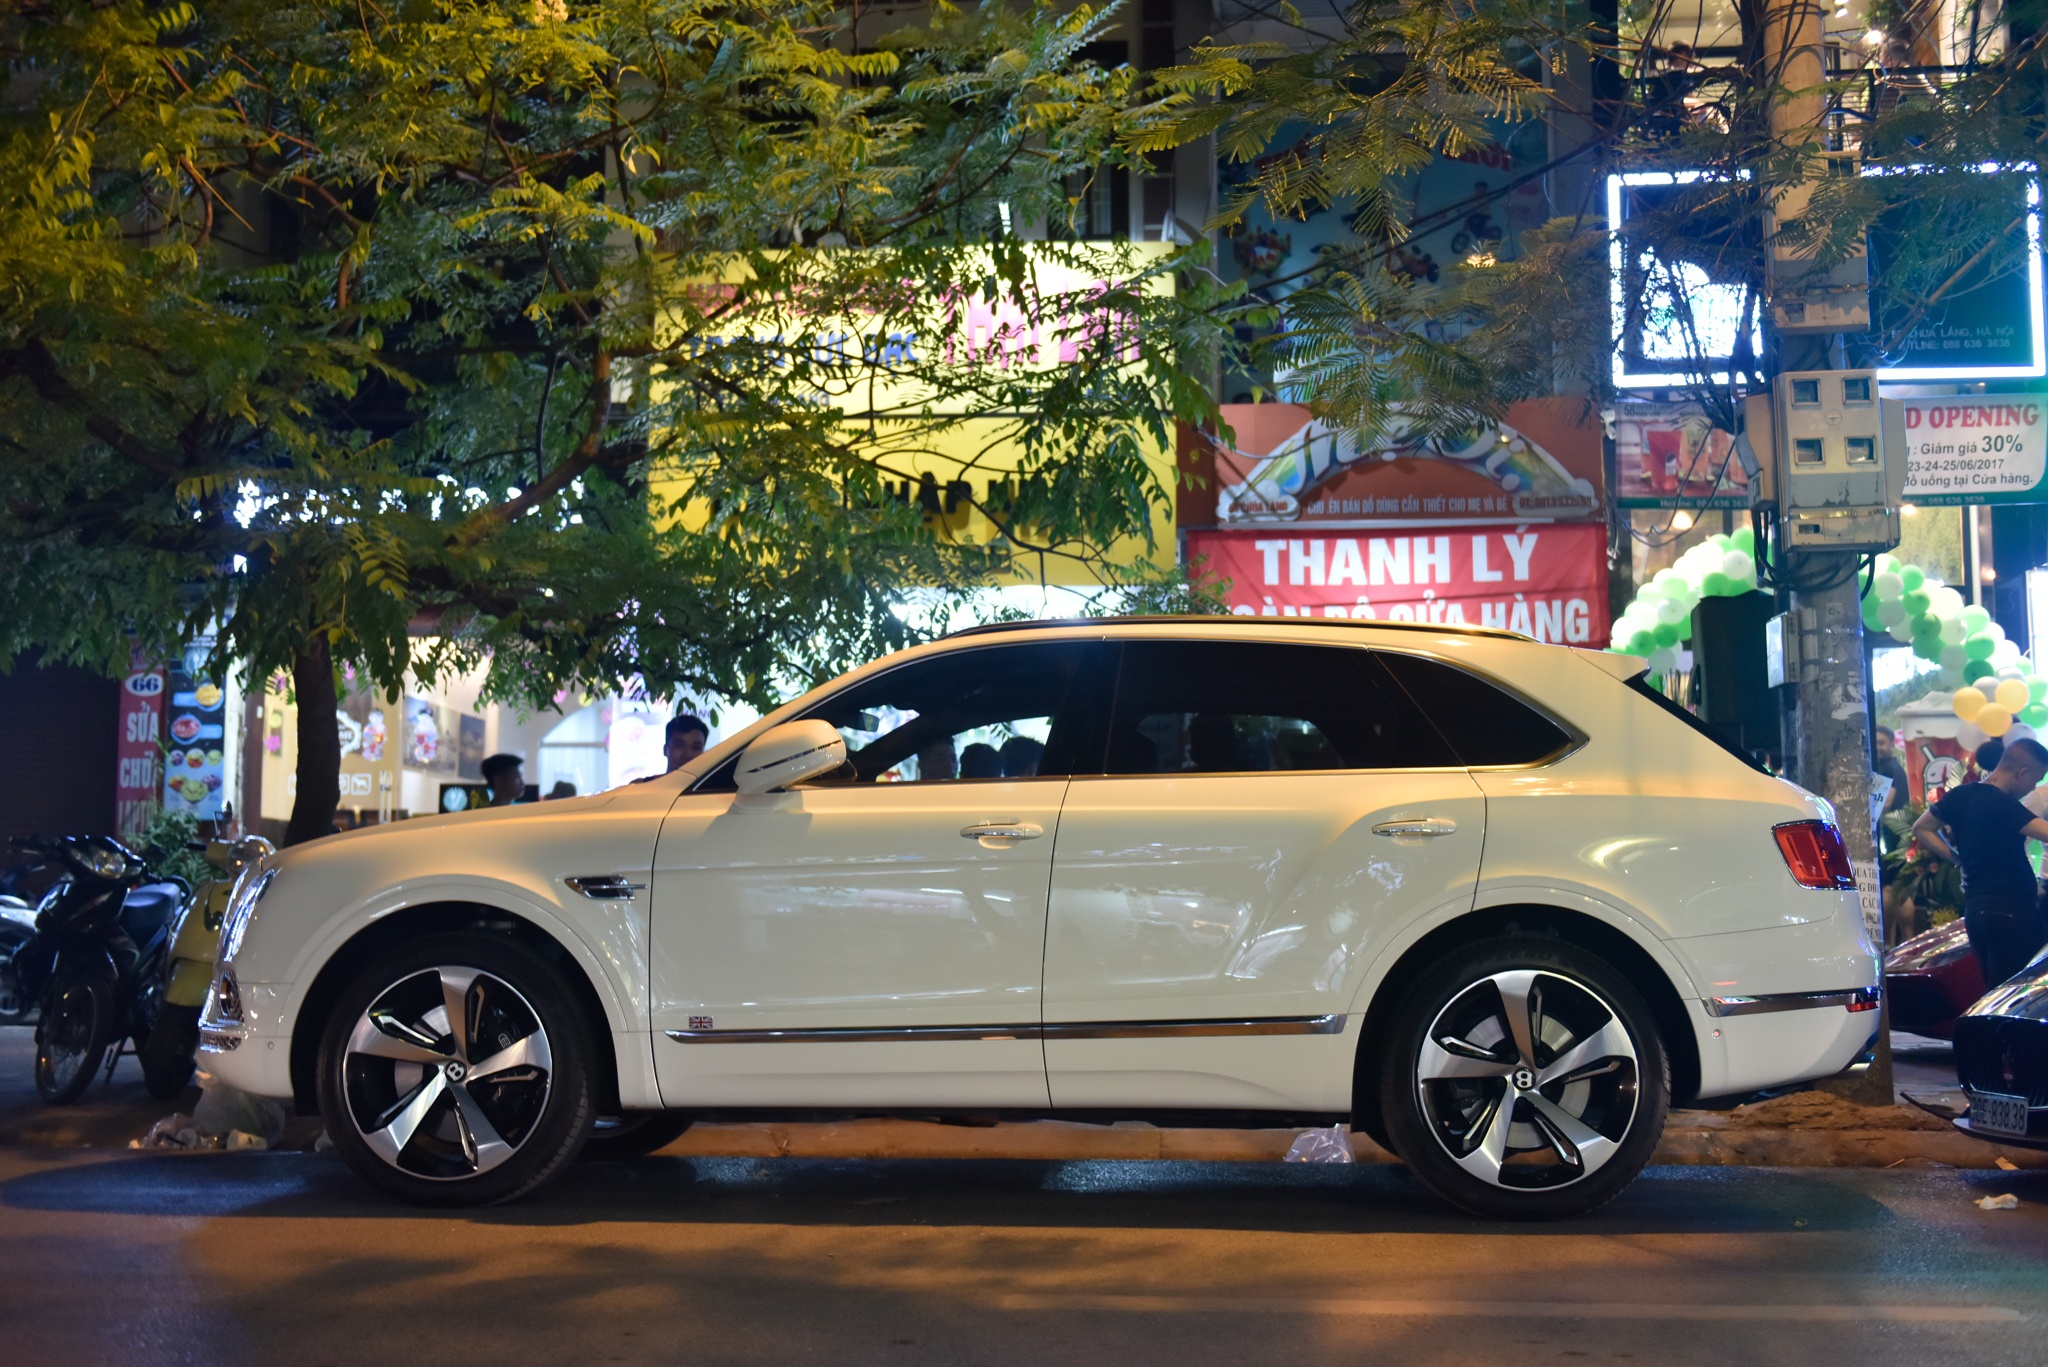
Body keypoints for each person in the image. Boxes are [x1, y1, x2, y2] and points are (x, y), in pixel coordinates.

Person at [1912, 737, 2048, 985]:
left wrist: (1958, 859)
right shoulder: (2002, 803)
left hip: (1976, 911)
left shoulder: (1960, 795)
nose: (2032, 788)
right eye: (2036, 780)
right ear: (2023, 772)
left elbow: (1921, 828)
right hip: (2011, 912)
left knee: (1992, 990)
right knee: (2013, 994)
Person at [1872, 727, 1910, 815]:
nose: (1877, 747)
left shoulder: (1887, 768)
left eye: (1881, 743)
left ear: (1892, 746)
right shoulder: (1893, 766)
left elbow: (1883, 804)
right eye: (1874, 743)